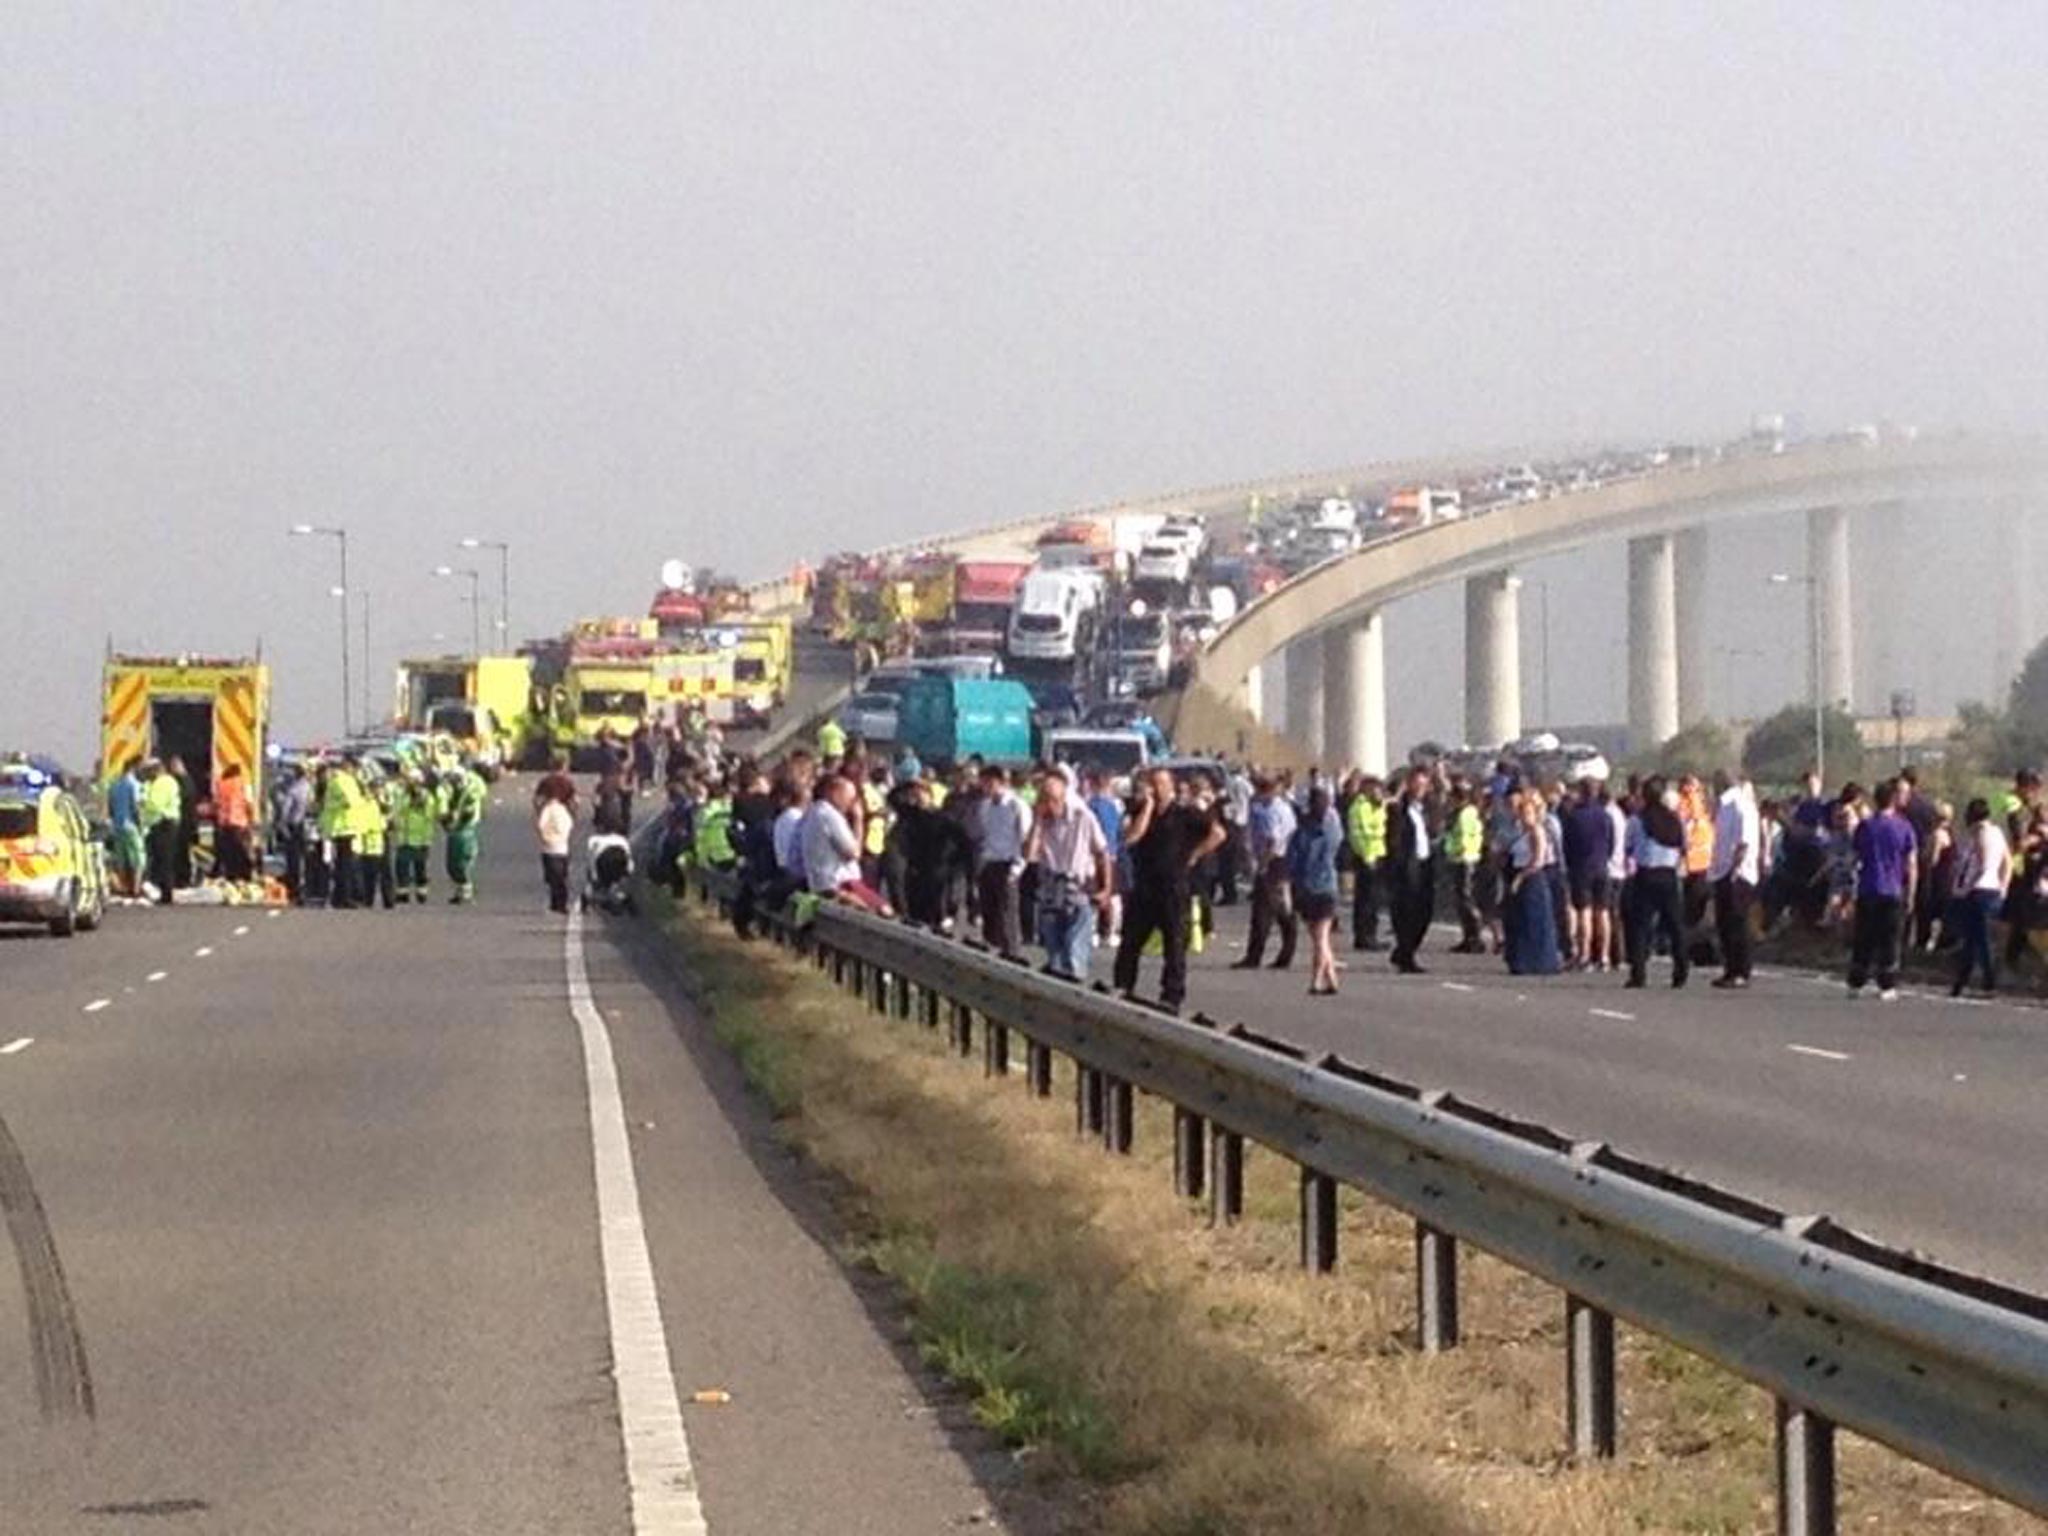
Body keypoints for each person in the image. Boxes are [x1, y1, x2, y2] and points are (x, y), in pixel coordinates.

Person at [1114, 767, 1225, 1014]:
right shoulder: (1140, 811)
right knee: (1130, 942)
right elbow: (1131, 838)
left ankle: (1171, 994)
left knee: (1174, 944)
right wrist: (1148, 807)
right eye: (1153, 784)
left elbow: (1218, 833)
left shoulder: (1187, 814)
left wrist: (1195, 855)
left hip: (1173, 887)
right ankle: (1123, 985)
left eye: (1162, 785)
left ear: (1173, 787)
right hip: (1145, 887)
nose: (1157, 789)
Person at [1025, 766, 1112, 981]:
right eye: (1044, 798)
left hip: (1078, 888)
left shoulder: (1083, 817)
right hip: (1051, 888)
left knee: (1074, 951)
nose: (1050, 804)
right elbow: (1029, 854)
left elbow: (1102, 853)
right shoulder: (1042, 822)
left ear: (1064, 795)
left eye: (1053, 799)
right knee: (1054, 954)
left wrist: (1106, 889)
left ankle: (1075, 990)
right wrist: (1037, 822)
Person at [1847, 777, 1918, 1000]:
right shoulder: (1904, 827)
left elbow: (1855, 856)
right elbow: (1911, 863)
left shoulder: (1865, 826)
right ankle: (1886, 985)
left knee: (1864, 937)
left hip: (1868, 887)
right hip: (1893, 889)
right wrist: (1912, 892)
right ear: (1893, 800)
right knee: (1890, 939)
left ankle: (1856, 981)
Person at [1624, 777, 1689, 988]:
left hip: (1647, 874)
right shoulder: (1674, 819)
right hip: (1669, 875)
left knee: (1640, 926)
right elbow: (1684, 846)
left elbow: (1629, 846)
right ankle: (1681, 971)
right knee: (1675, 925)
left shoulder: (1638, 820)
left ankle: (1639, 973)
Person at [1946, 797, 2010, 998]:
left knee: (1979, 939)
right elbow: (2007, 861)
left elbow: (1981, 864)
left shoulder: (1980, 834)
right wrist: (2003, 885)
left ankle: (1989, 981)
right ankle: (1961, 980)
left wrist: (1968, 886)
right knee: (1974, 940)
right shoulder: (1998, 833)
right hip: (1992, 890)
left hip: (1978, 891)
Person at [1233, 776, 1298, 971]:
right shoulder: (1284, 807)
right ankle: (1285, 953)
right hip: (1284, 860)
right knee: (1283, 910)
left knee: (1264, 911)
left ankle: (1255, 956)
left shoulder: (1270, 811)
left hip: (1273, 862)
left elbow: (1272, 840)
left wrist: (1262, 865)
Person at [800, 774, 890, 912]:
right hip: (839, 883)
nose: (852, 803)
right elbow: (853, 853)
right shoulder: (829, 815)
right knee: (884, 909)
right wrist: (858, 820)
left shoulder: (813, 812)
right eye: (850, 798)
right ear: (834, 793)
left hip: (821, 882)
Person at [1287, 785, 1343, 995]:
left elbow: (1293, 861)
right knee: (1322, 938)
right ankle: (1331, 977)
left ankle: (1317, 979)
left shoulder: (1301, 833)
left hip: (1307, 888)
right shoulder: (1332, 830)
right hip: (1327, 885)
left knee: (1319, 937)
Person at [1708, 768, 1760, 989]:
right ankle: (1730, 968)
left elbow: (1744, 841)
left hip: (1737, 873)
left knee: (1738, 922)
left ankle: (1742, 970)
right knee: (1725, 923)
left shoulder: (1740, 805)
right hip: (1722, 870)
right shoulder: (1723, 806)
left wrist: (1735, 869)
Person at [972, 765, 1030, 956]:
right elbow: (985, 834)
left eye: (990, 783)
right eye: (984, 783)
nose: (986, 787)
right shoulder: (985, 806)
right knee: (989, 910)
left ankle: (1012, 951)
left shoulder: (1016, 805)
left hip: (1008, 862)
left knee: (1008, 912)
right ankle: (991, 948)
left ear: (1001, 782)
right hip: (990, 862)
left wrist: (1017, 868)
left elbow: (1024, 838)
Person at [1504, 792, 1562, 975]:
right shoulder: (1523, 833)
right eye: (1522, 812)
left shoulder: (1537, 831)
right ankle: (1521, 959)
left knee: (1534, 921)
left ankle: (1538, 961)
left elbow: (1538, 860)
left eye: (1528, 812)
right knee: (1521, 921)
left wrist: (1521, 877)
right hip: (1520, 876)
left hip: (1532, 879)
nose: (1524, 816)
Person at [1385, 765, 1436, 974]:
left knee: (1424, 913)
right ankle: (1406, 955)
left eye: (1424, 784)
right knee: (1406, 914)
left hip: (1424, 865)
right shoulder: (1398, 809)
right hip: (1406, 868)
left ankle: (1405, 950)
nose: (1420, 789)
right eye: (1417, 784)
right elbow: (1394, 840)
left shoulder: (1424, 809)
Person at [1561, 778, 1614, 971]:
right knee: (1603, 912)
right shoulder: (1605, 816)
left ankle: (1584, 955)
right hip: (1601, 866)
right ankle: (1604, 955)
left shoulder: (1574, 816)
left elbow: (1567, 844)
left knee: (1584, 911)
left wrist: (1569, 864)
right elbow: (1611, 842)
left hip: (1581, 867)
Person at [1441, 779, 1485, 954]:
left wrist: (1456, 851)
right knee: (1461, 900)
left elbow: (1464, 837)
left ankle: (1474, 937)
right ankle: (1468, 936)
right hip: (1461, 858)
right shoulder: (1465, 812)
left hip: (1464, 859)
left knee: (1465, 899)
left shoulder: (1465, 814)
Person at [1344, 774, 1387, 950]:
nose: (1380, 793)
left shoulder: (1374, 806)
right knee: (1366, 900)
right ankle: (1364, 936)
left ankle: (1371, 934)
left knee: (1373, 900)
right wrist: (1366, 856)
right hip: (1366, 857)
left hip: (1377, 854)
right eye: (1376, 790)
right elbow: (1358, 835)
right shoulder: (1360, 807)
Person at [322, 756, 367, 910]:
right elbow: (350, 801)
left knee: (342, 864)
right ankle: (344, 897)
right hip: (344, 826)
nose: (356, 771)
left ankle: (339, 897)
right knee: (345, 866)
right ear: (348, 766)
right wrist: (363, 800)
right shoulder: (343, 781)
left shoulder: (340, 780)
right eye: (355, 768)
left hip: (342, 826)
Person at [442, 764, 487, 904]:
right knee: (451, 864)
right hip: (455, 830)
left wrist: (456, 817)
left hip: (465, 829)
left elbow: (468, 811)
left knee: (462, 862)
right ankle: (459, 890)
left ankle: (466, 891)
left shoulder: (470, 792)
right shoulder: (454, 792)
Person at [140, 759, 181, 905]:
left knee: (163, 860)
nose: (146, 775)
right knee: (165, 860)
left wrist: (143, 804)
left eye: (148, 771)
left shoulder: (161, 783)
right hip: (167, 824)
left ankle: (166, 894)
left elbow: (155, 805)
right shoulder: (168, 781)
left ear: (155, 770)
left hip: (163, 824)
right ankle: (165, 891)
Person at [394, 774, 439, 904]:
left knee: (421, 868)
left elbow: (430, 816)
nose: (412, 784)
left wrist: (419, 802)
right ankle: (403, 894)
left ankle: (421, 893)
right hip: (404, 838)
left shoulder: (427, 798)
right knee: (401, 867)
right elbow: (398, 810)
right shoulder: (403, 795)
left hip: (421, 839)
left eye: (414, 782)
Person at [107, 757, 145, 897]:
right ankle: (135, 888)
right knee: (138, 858)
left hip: (117, 826)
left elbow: (110, 807)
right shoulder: (133, 784)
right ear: (134, 768)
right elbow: (135, 807)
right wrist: (140, 824)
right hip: (130, 826)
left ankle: (123, 887)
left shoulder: (114, 785)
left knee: (121, 858)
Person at [213, 764, 255, 883]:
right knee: (242, 851)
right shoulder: (243, 784)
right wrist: (252, 820)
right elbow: (248, 803)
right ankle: (245, 877)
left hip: (224, 823)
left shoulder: (221, 785)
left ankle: (231, 876)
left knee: (229, 852)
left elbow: (216, 803)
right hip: (239, 822)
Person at [536, 784, 574, 914]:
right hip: (562, 848)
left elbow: (541, 825)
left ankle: (556, 903)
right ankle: (560, 904)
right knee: (561, 877)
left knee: (553, 879)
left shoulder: (547, 809)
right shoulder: (563, 810)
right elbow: (569, 825)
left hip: (549, 848)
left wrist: (544, 837)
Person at [167, 754, 199, 889]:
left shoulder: (184, 782)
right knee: (181, 852)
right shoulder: (186, 781)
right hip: (184, 821)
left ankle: (182, 878)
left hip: (184, 822)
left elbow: (185, 801)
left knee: (181, 852)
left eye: (173, 766)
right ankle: (181, 878)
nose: (172, 769)